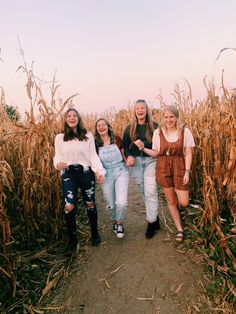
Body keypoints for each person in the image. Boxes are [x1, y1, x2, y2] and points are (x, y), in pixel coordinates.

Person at [53, 108, 105, 255]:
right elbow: (57, 157)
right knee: (69, 206)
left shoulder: (87, 136)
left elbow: (93, 157)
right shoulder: (60, 138)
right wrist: (57, 164)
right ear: (65, 119)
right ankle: (72, 239)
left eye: (74, 115)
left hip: (86, 173)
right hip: (69, 174)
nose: (71, 118)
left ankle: (94, 233)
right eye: (68, 116)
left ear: (78, 118)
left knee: (90, 203)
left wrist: (99, 172)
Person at [142, 105, 195, 243]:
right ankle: (179, 229)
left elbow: (188, 153)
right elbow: (156, 153)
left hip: (179, 166)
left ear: (177, 117)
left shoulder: (185, 131)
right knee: (171, 201)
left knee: (183, 202)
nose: (168, 120)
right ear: (163, 118)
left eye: (171, 117)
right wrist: (144, 148)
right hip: (163, 168)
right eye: (166, 117)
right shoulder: (157, 133)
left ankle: (179, 211)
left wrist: (187, 172)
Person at [122, 99, 160, 239]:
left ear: (146, 110)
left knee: (150, 190)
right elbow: (125, 146)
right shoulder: (129, 128)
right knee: (144, 191)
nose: (140, 110)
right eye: (137, 108)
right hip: (136, 163)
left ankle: (151, 223)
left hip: (151, 161)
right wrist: (129, 156)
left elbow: (158, 145)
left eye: (142, 108)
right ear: (134, 111)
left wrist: (144, 145)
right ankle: (155, 217)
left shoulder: (154, 127)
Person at [95, 118, 129, 239]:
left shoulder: (117, 139)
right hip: (106, 173)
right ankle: (114, 221)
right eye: (98, 126)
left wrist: (128, 162)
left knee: (121, 202)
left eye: (103, 124)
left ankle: (119, 223)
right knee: (110, 202)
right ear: (97, 129)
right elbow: (95, 161)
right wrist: (98, 174)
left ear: (108, 126)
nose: (101, 127)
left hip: (120, 170)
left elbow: (124, 153)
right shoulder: (96, 144)